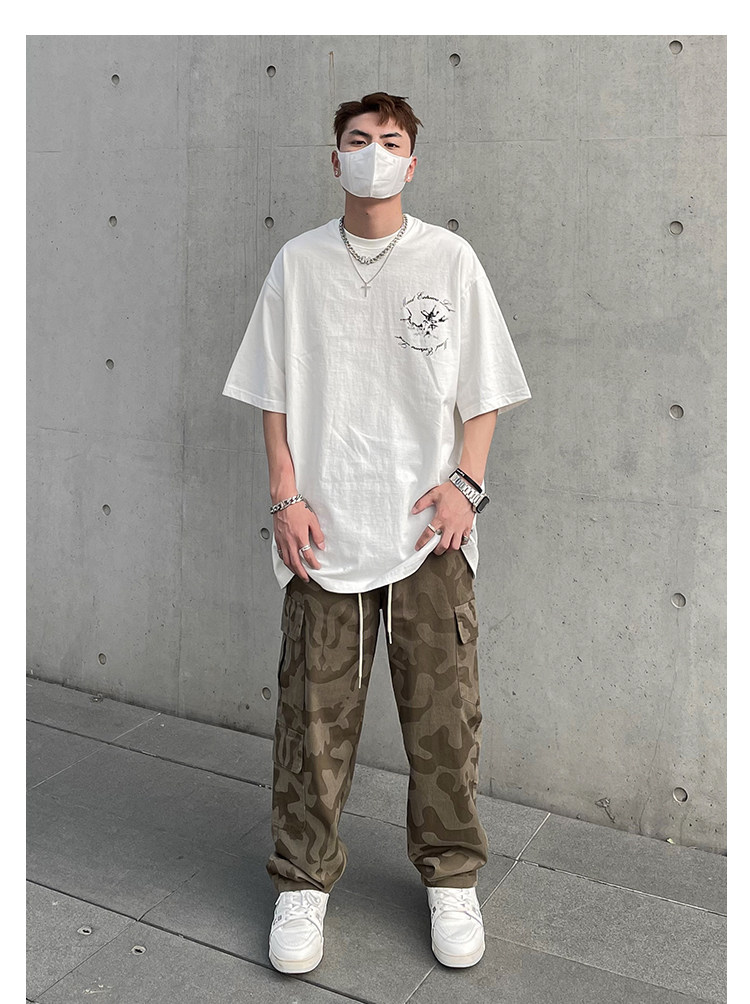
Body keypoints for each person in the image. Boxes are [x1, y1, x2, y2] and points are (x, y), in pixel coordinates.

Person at [222, 92, 532, 975]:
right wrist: (284, 495)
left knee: (445, 717)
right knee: (312, 720)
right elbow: (272, 391)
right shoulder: (299, 263)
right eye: (357, 140)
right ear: (335, 160)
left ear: (412, 161)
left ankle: (452, 879)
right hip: (324, 530)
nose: (373, 154)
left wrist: (467, 487)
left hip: (428, 532)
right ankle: (302, 883)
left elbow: (485, 388)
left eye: (390, 142)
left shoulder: (449, 259)